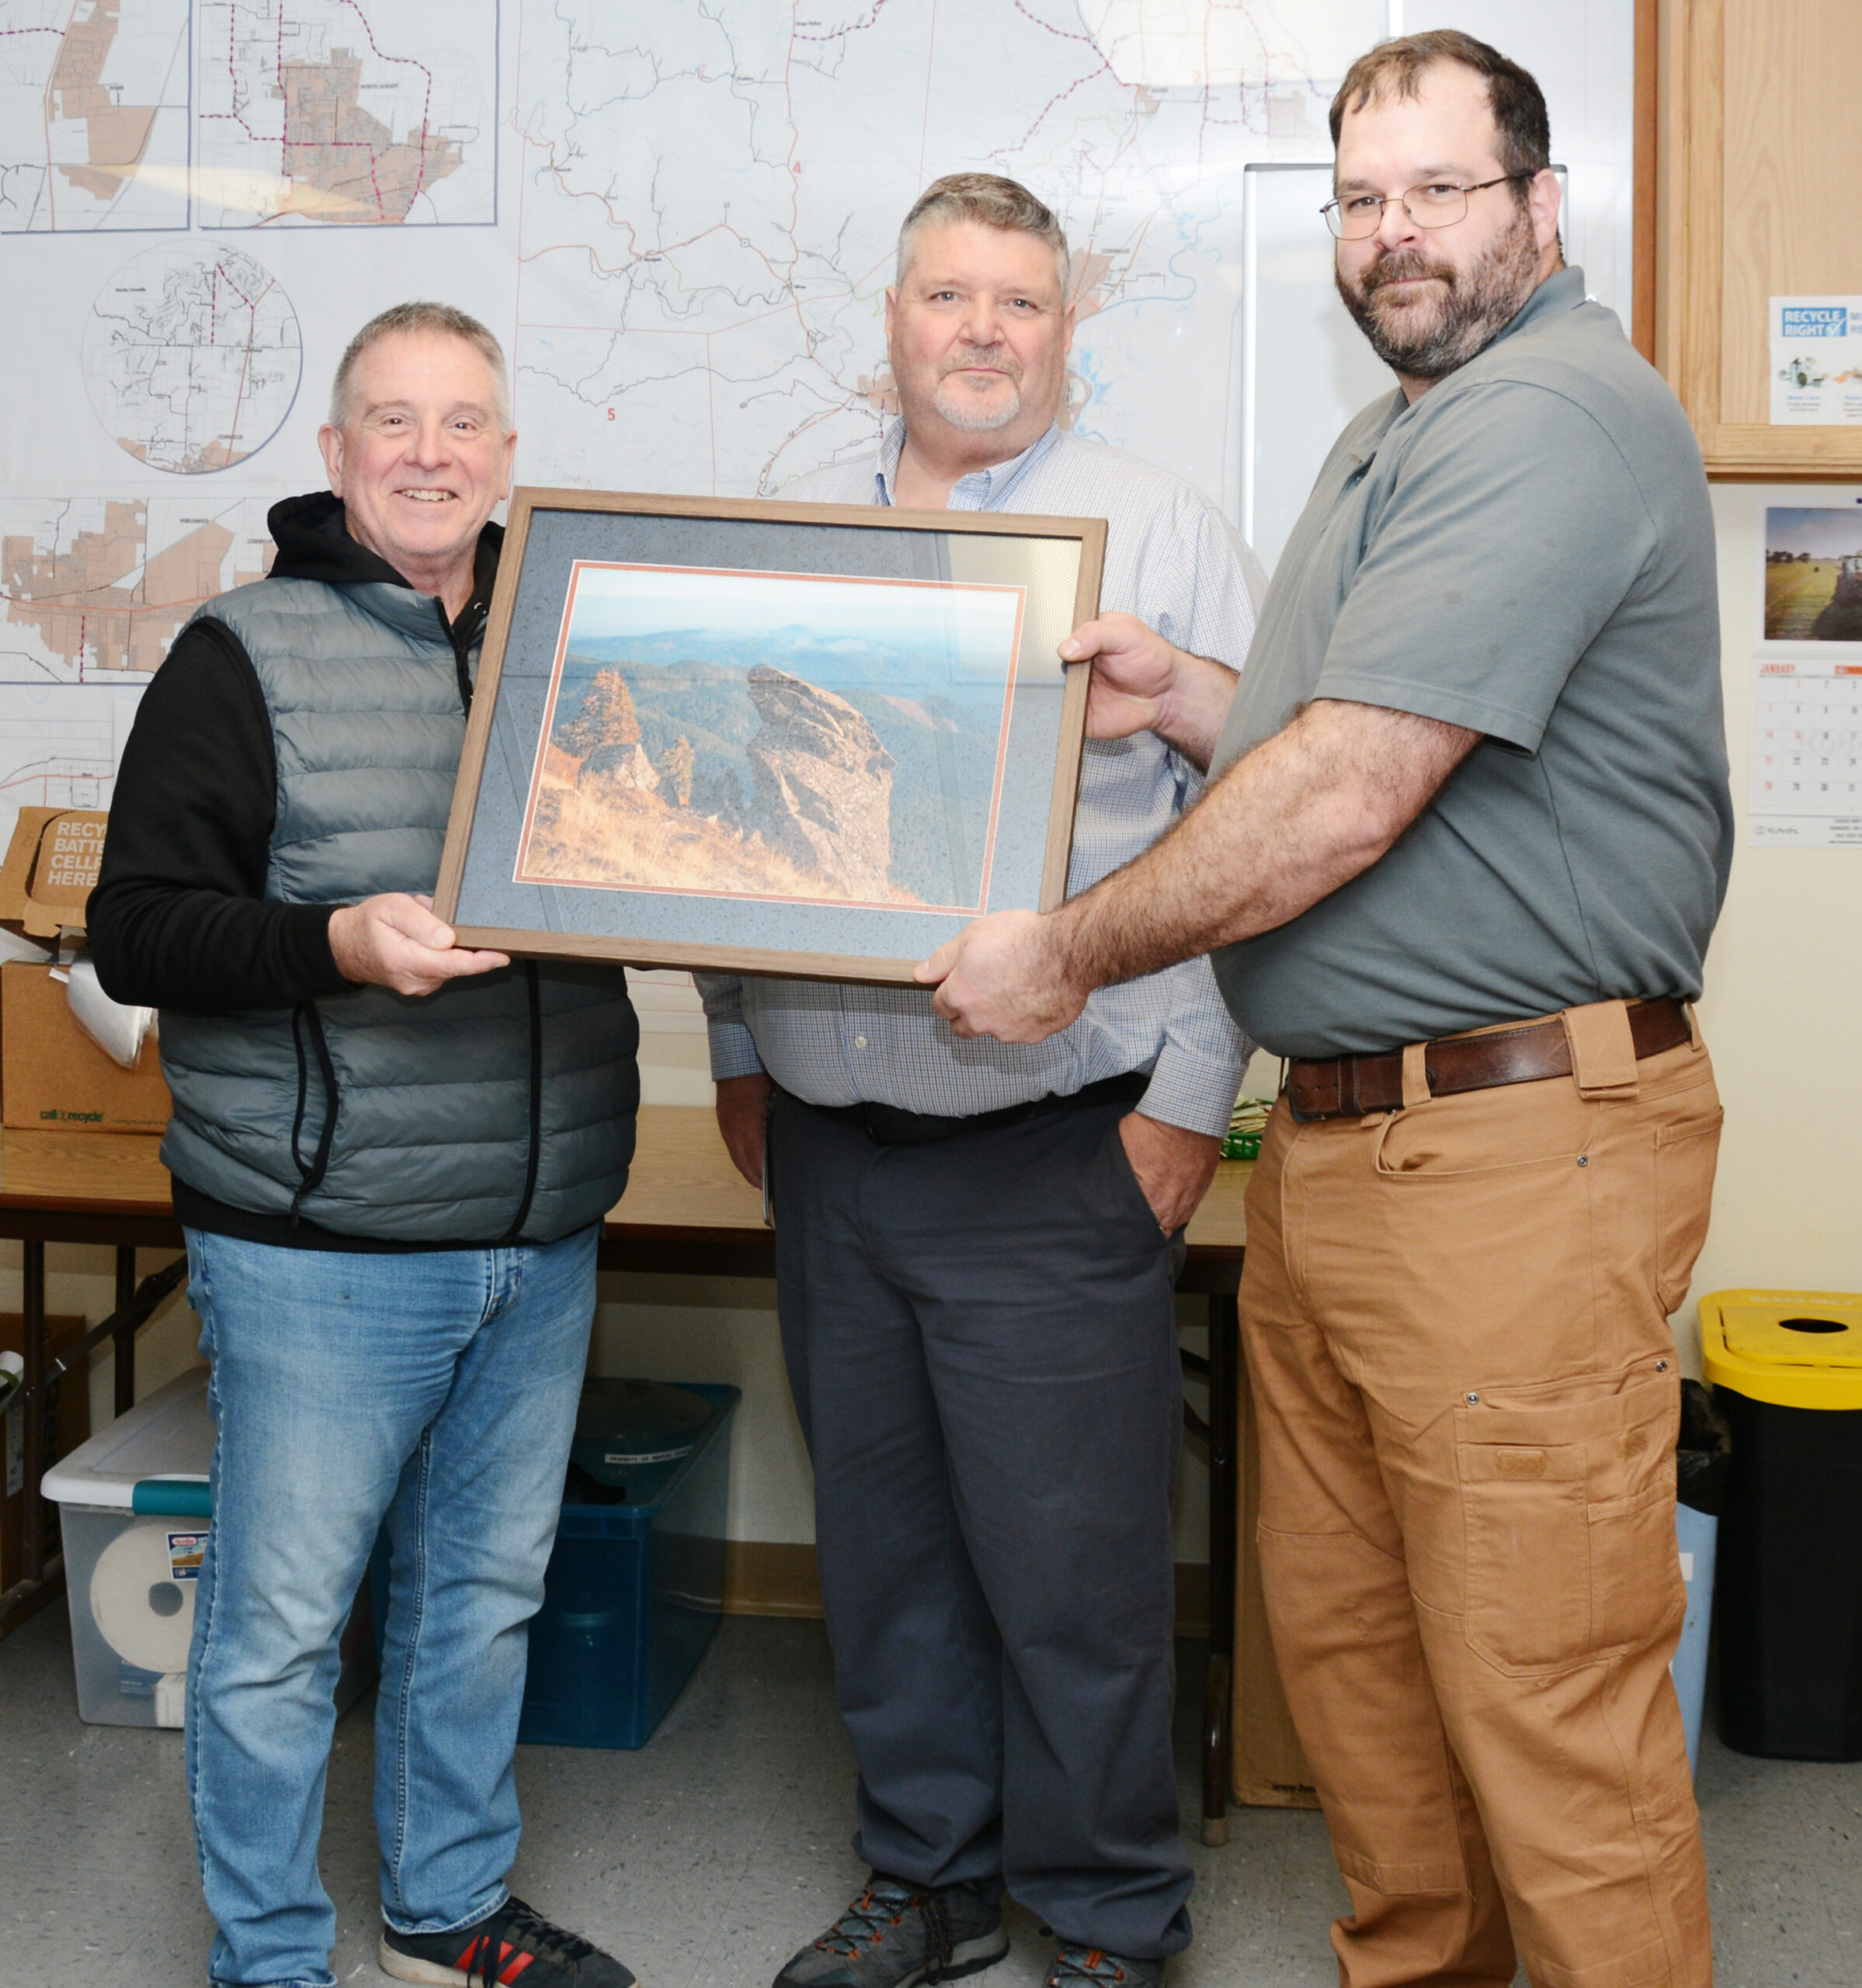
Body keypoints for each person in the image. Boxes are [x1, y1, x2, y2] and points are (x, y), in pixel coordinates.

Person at [919, 36, 1730, 1988]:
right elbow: (1362, 738)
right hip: (1360, 1155)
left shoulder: (1547, 413)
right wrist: (1191, 694)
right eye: (1358, 201)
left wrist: (1065, 951)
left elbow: (1354, 783)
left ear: (1539, 206)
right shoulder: (1405, 429)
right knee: (1369, 1706)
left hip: (1509, 1166)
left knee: (1549, 1727)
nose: (1392, 237)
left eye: (1436, 191)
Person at [697, 175, 1263, 1988]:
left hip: (1053, 1145)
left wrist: (1184, 1093)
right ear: (892, 315)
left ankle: (1105, 1914)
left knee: (1074, 1577)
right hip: (832, 1148)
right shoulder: (786, 532)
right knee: (882, 1552)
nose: (983, 332)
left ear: (1064, 327)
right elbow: (733, 820)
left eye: (1020, 301)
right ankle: (925, 1871)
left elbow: (1247, 822)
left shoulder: (1159, 528)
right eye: (950, 295)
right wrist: (732, 1042)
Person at [90, 303, 642, 1988]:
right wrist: (332, 942)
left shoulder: (573, 651)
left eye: (463, 422)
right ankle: (267, 1955)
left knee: (478, 1602)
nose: (429, 452)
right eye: (391, 422)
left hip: (539, 1224)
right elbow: (138, 933)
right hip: (320, 1242)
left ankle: (442, 1910)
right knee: (276, 1632)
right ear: (334, 456)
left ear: (503, 455)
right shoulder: (239, 653)